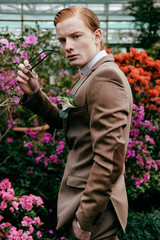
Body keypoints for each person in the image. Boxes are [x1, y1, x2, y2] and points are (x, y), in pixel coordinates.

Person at [16, 6, 133, 240]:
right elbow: (65, 121)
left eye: (75, 36)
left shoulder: (105, 78)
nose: (67, 46)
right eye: (62, 39)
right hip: (85, 200)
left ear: (97, 36)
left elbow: (110, 159)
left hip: (95, 209)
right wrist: (35, 93)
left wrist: (85, 220)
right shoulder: (88, 76)